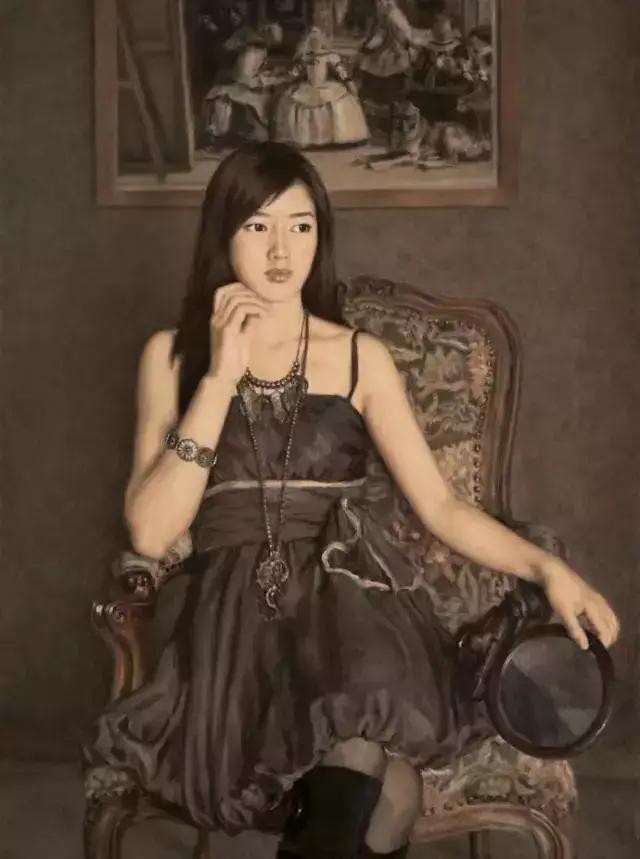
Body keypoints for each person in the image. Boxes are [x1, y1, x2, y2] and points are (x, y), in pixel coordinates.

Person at [84, 141, 620, 858]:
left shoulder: (362, 356)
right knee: (385, 794)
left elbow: (441, 507)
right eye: (258, 226)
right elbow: (152, 533)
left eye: (301, 226)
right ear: (223, 235)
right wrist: (218, 381)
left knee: (363, 717)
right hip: (234, 613)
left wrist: (549, 569)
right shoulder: (171, 355)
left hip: (346, 597)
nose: (282, 250)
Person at [273, 27, 369, 149]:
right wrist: (281, 75)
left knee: (339, 102)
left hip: (325, 86)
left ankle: (334, 139)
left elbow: (342, 74)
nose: (315, 43)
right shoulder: (306, 57)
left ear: (322, 41)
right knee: (294, 103)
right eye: (312, 41)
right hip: (309, 86)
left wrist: (350, 85)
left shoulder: (331, 56)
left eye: (317, 40)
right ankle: (311, 140)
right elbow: (294, 74)